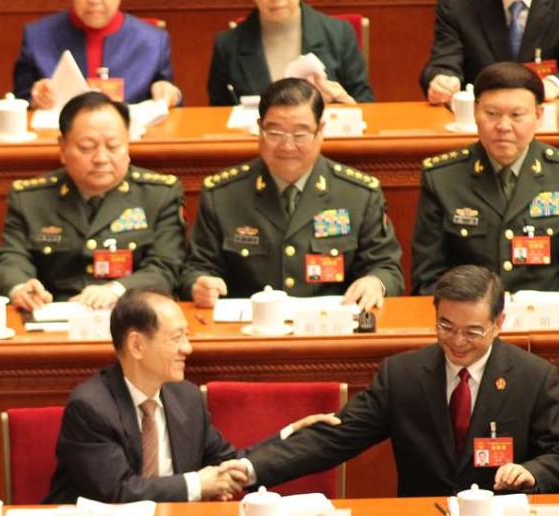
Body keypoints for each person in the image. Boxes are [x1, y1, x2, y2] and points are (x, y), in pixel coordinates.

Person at [229, 266, 559, 497]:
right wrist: (247, 469)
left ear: (498, 322)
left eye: (473, 330)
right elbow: (333, 438)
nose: (457, 340)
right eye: (445, 326)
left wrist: (533, 471)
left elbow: (555, 454)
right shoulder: (403, 375)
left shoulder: (534, 377)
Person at [44, 289, 337, 503]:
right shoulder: (91, 407)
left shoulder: (185, 398)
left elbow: (228, 463)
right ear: (136, 345)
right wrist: (198, 485)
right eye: (176, 338)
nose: (188, 348)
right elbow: (117, 493)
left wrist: (291, 436)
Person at [181, 78, 403, 311]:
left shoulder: (358, 194)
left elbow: (386, 267)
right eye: (275, 133)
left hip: (330, 332)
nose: (287, 147)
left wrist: (375, 282)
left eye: (300, 134)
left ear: (321, 131)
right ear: (260, 129)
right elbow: (195, 269)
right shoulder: (223, 195)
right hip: (249, 334)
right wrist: (200, 285)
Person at [0, 92, 186, 312]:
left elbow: (167, 267)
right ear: (62, 148)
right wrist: (20, 288)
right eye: (86, 147)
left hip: (133, 313)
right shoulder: (30, 198)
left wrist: (117, 290)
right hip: (54, 314)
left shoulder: (159, 194)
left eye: (113, 146)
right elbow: (10, 258)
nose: (101, 158)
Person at [412, 62, 559, 294]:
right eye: (492, 114)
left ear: (538, 116)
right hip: (469, 324)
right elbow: (428, 278)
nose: (503, 126)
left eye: (517, 115)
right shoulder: (442, 178)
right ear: (475, 112)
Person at [14, 0, 181, 109]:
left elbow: (171, 100)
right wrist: (36, 99)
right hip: (56, 145)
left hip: (133, 147)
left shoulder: (153, 41)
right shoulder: (38, 36)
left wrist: (170, 94)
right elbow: (20, 101)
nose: (94, 1)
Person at [208, 0, 373, 106]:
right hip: (253, 151)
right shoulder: (227, 45)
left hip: (327, 148)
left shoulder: (340, 34)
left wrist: (347, 103)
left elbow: (366, 103)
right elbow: (216, 117)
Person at [421, 0, 559, 105]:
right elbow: (444, 61)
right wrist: (442, 82)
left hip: (547, 117)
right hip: (479, 123)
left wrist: (554, 83)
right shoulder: (458, 5)